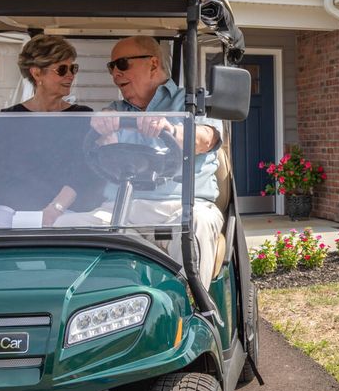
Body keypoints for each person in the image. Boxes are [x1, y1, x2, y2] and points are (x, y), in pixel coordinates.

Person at [57, 35, 225, 287]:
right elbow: (97, 156)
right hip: (123, 209)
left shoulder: (192, 104)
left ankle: (194, 310)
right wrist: (101, 131)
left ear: (153, 64)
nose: (115, 73)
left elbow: (204, 138)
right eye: (111, 67)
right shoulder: (115, 110)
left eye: (122, 64)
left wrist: (172, 128)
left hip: (180, 207)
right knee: (66, 225)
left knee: (196, 225)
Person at [0, 35, 99, 229]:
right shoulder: (9, 118)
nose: (70, 75)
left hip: (64, 212)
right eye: (62, 69)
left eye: (73, 68)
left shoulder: (82, 116)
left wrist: (54, 211)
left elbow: (83, 173)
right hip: (10, 211)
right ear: (37, 73)